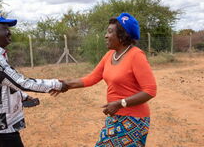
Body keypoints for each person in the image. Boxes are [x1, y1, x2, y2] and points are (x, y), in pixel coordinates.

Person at [0, 11, 67, 147]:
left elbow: (3, 84)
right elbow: (21, 82)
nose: (9, 32)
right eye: (5, 28)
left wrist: (23, 96)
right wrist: (57, 84)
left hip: (1, 123)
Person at [61, 13, 157, 146]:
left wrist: (120, 103)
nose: (106, 35)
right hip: (115, 116)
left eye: (110, 32)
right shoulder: (109, 55)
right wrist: (64, 84)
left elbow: (150, 90)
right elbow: (91, 78)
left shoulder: (136, 56)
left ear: (122, 36)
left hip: (134, 119)